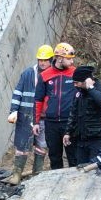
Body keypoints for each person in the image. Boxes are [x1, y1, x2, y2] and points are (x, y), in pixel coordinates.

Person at [7, 45, 54, 185]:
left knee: (41, 145)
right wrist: (14, 110)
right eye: (40, 60)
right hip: (26, 115)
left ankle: (37, 173)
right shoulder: (28, 74)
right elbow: (18, 92)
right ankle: (17, 173)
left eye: (45, 60)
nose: (42, 62)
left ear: (51, 60)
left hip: (44, 117)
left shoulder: (53, 75)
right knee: (22, 145)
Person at [34, 42, 77, 170]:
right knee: (54, 156)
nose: (71, 61)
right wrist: (36, 122)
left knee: (73, 156)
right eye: (68, 58)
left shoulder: (75, 73)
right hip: (51, 123)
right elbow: (38, 100)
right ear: (59, 58)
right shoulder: (45, 75)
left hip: (69, 122)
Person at [67, 66, 101, 166]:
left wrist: (91, 89)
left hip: (96, 140)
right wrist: (68, 132)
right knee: (80, 168)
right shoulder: (79, 93)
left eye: (77, 82)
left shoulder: (99, 90)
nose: (75, 85)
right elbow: (73, 113)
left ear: (86, 81)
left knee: (95, 170)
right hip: (81, 140)